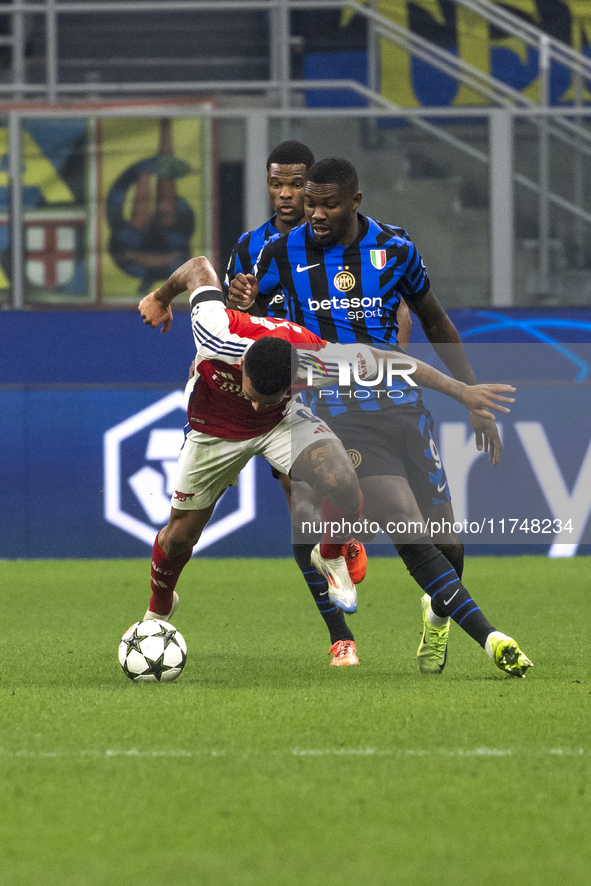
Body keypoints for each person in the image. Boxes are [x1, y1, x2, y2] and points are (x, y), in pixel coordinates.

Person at [137, 256, 526, 676]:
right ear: (242, 366)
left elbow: (394, 363)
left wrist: (462, 392)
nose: (252, 400)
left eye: (260, 396)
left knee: (342, 479)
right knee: (179, 538)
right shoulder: (216, 334)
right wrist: (161, 296)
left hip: (281, 422)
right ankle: (159, 609)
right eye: (250, 392)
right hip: (213, 430)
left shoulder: (314, 359)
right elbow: (199, 267)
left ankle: (332, 550)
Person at [228, 158, 534, 678]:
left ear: (355, 201)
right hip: (339, 416)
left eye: (327, 204)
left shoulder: (395, 249)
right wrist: (245, 301)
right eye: (310, 203)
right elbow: (253, 325)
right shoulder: (280, 253)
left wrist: (472, 397)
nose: (316, 213)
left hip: (404, 408)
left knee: (448, 546)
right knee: (406, 525)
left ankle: (437, 616)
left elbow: (435, 320)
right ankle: (492, 637)